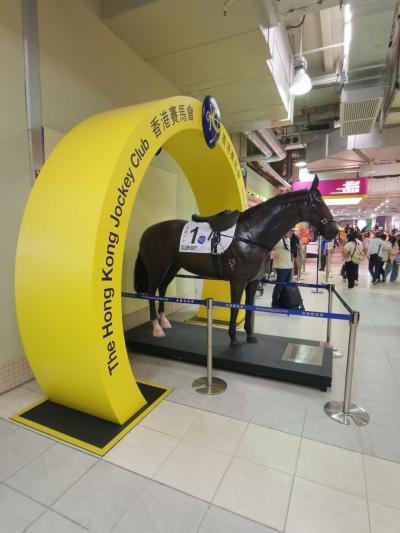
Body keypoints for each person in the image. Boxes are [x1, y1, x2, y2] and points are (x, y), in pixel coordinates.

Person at [271, 231, 293, 307]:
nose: (291, 233)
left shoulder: (288, 240)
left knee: (286, 286)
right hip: (281, 267)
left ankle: (282, 301)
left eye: (292, 231)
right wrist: (275, 255)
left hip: (289, 266)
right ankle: (274, 303)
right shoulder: (278, 240)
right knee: (279, 286)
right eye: (290, 231)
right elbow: (271, 250)